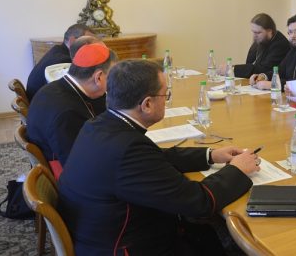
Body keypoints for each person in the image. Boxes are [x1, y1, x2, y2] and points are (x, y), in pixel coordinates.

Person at [58, 59, 259, 255]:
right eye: (166, 95)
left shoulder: (100, 124)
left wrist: (211, 155)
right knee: (208, 234)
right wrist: (237, 170)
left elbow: (155, 159)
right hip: (127, 246)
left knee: (207, 235)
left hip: (101, 231)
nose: (167, 99)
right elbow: (199, 203)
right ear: (146, 104)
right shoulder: (129, 150)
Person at [26, 42, 116, 169]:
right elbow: (79, 166)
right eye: (113, 76)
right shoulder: (67, 114)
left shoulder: (55, 87)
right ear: (99, 77)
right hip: (63, 173)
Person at [26, 23, 93, 100]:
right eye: (88, 42)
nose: (92, 47)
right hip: (44, 106)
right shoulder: (64, 62)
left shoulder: (57, 50)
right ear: (73, 41)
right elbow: (71, 95)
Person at [225, 13, 290, 79]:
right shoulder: (261, 40)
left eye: (258, 32)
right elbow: (250, 64)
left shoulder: (280, 45)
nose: (254, 36)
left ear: (269, 31)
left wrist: (232, 69)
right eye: (253, 32)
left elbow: (263, 69)